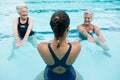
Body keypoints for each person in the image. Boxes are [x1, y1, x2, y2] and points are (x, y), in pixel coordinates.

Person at [37, 11, 82, 80]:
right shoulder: (77, 47)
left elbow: (51, 43)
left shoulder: (41, 47)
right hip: (70, 76)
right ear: (68, 28)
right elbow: (69, 43)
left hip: (49, 76)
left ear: (52, 27)